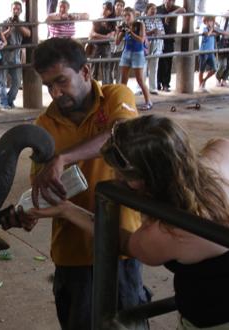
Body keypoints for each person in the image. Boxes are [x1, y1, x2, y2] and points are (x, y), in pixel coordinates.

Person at [28, 115, 229, 330]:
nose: (114, 176)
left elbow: (122, 241)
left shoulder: (167, 232)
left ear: (137, 181)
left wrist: (67, 210)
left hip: (210, 320)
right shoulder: (213, 166)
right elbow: (223, 143)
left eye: (118, 173)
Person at [16, 38, 148, 330]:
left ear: (86, 72)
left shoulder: (116, 96)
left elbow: (121, 133)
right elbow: (44, 189)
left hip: (121, 242)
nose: (55, 92)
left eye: (61, 81)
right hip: (72, 253)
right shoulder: (43, 127)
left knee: (128, 322)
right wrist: (30, 212)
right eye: (48, 85)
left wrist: (62, 158)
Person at [116, 7, 151, 110]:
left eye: (128, 15)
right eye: (125, 16)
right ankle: (123, 102)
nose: (126, 18)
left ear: (133, 16)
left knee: (140, 80)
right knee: (123, 80)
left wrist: (130, 32)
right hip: (126, 53)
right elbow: (117, 42)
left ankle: (148, 101)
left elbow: (141, 40)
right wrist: (118, 32)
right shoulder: (124, 26)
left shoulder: (139, 25)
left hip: (137, 53)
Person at [0, 1, 30, 109]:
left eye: (18, 9)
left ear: (20, 11)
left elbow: (28, 33)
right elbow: (0, 37)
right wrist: (9, 30)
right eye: (14, 8)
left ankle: (10, 100)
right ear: (11, 10)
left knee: (17, 81)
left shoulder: (22, 23)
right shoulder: (4, 22)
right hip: (5, 54)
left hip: (16, 54)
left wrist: (18, 25)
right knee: (2, 80)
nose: (15, 10)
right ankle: (3, 102)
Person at [157, 0, 185, 92]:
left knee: (168, 62)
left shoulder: (175, 8)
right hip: (159, 39)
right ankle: (158, 83)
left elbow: (183, 10)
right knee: (159, 61)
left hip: (170, 39)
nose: (169, 1)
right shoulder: (158, 9)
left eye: (171, 0)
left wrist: (171, 14)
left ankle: (166, 84)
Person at [89, 1, 115, 85]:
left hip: (106, 46)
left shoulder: (112, 22)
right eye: (103, 8)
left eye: (107, 9)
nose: (104, 10)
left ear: (110, 11)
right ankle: (93, 88)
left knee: (106, 69)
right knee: (94, 68)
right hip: (95, 46)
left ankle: (106, 88)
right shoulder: (97, 21)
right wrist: (105, 37)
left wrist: (98, 35)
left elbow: (112, 36)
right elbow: (92, 34)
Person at [143, 3, 164, 95]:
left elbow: (163, 32)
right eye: (152, 9)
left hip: (157, 43)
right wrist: (151, 32)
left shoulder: (158, 19)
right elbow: (141, 33)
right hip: (146, 43)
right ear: (147, 10)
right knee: (143, 66)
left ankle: (153, 88)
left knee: (154, 66)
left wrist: (159, 33)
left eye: (155, 9)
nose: (154, 11)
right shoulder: (142, 19)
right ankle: (141, 88)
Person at [198, 16, 217, 93]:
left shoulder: (212, 29)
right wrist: (212, 29)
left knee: (214, 69)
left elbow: (219, 32)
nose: (211, 23)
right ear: (205, 22)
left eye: (212, 21)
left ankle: (204, 80)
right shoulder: (203, 27)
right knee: (201, 69)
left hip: (211, 51)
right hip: (203, 51)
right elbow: (207, 34)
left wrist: (215, 28)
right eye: (210, 21)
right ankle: (200, 84)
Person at [111, 0, 125, 83]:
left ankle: (118, 85)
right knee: (110, 68)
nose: (119, 7)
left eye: (121, 6)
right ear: (114, 6)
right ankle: (111, 86)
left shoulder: (124, 19)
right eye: (118, 5)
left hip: (120, 47)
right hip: (111, 47)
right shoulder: (110, 18)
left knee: (119, 68)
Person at [215, 12, 229, 87]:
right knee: (222, 64)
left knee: (228, 64)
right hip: (222, 42)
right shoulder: (224, 17)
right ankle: (217, 78)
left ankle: (224, 79)